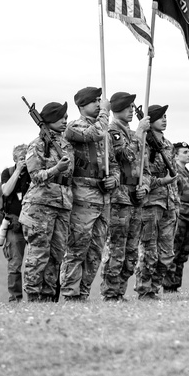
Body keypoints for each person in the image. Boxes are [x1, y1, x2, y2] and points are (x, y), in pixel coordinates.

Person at [60, 86, 118, 300]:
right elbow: (94, 134)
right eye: (94, 101)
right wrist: (105, 112)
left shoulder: (106, 134)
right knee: (77, 248)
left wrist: (115, 178)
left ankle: (83, 294)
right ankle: (70, 294)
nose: (98, 104)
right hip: (83, 197)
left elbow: (115, 164)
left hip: (103, 197)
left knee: (95, 251)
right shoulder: (74, 127)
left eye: (99, 101)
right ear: (82, 105)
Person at [20, 101, 74, 302]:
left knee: (56, 255)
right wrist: (55, 169)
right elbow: (35, 176)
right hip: (40, 206)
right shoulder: (37, 144)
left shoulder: (66, 144)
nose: (65, 121)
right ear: (50, 119)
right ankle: (33, 297)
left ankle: (48, 297)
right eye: (61, 118)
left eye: (66, 118)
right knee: (39, 254)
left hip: (62, 205)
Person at [100, 92, 149, 302]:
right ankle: (110, 293)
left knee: (131, 251)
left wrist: (145, 187)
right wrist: (138, 133)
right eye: (128, 107)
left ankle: (120, 291)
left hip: (135, 197)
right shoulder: (112, 132)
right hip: (120, 198)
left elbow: (144, 167)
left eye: (132, 107)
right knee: (117, 249)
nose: (132, 110)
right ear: (116, 108)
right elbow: (125, 156)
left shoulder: (133, 134)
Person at [136, 104, 177, 300]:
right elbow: (140, 175)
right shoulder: (144, 143)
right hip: (151, 203)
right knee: (149, 251)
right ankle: (144, 290)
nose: (165, 119)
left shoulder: (168, 144)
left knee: (167, 253)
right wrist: (160, 181)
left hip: (169, 203)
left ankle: (154, 288)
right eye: (160, 116)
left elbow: (173, 175)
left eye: (166, 116)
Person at [0, 144, 30, 302]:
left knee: (35, 263)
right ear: (14, 159)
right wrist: (18, 170)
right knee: (15, 264)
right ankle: (15, 300)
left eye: (27, 157)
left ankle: (35, 298)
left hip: (32, 223)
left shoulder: (33, 173)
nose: (25, 160)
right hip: (14, 225)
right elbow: (6, 191)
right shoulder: (8, 173)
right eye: (21, 158)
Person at [166, 142, 189, 292]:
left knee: (183, 253)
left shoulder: (188, 174)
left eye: (188, 152)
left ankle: (175, 284)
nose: (188, 154)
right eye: (184, 152)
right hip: (179, 216)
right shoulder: (174, 172)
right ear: (176, 155)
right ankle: (168, 285)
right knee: (174, 251)